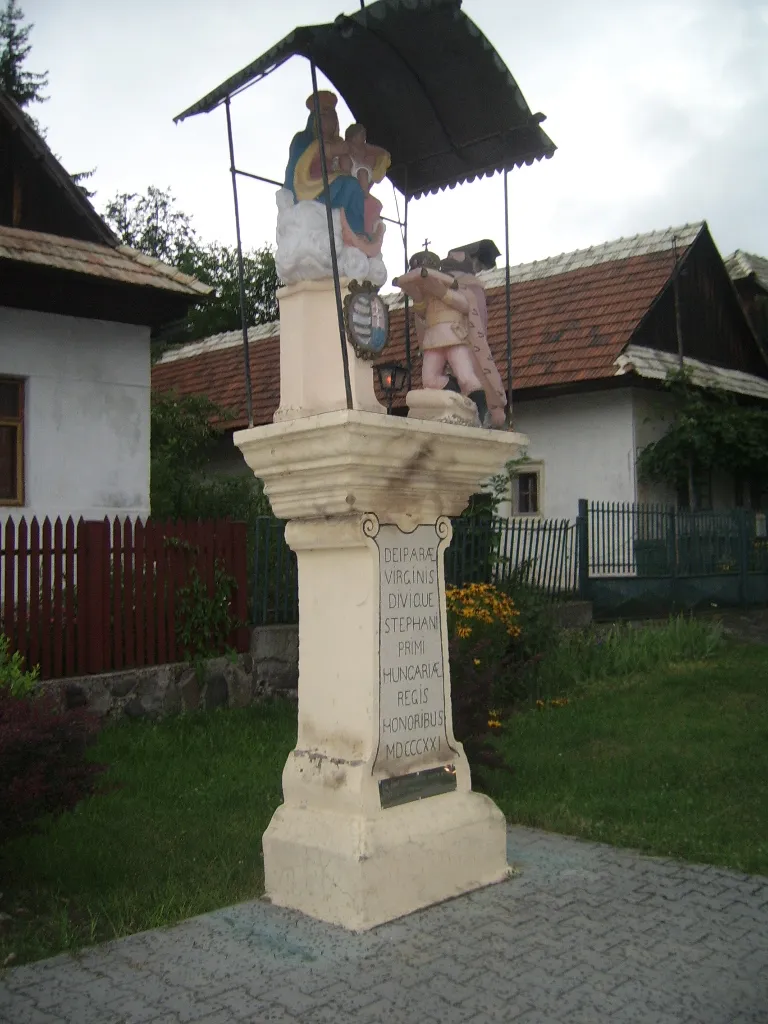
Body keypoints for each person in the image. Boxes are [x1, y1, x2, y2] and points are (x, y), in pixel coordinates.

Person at [394, 250, 507, 428]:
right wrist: (417, 298)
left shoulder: (452, 285)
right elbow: (423, 314)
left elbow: (464, 305)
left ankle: (481, 410)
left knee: (466, 377)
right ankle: (454, 394)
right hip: (433, 339)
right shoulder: (426, 293)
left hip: (454, 336)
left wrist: (440, 291)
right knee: (429, 381)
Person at [283, 93, 390, 256]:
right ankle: (354, 231)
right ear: (315, 119)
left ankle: (360, 233)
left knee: (366, 198)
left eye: (333, 116)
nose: (331, 121)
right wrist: (328, 151)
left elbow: (357, 154)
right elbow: (300, 162)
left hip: (334, 181)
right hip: (311, 187)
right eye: (325, 115)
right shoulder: (303, 139)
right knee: (351, 185)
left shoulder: (339, 142)